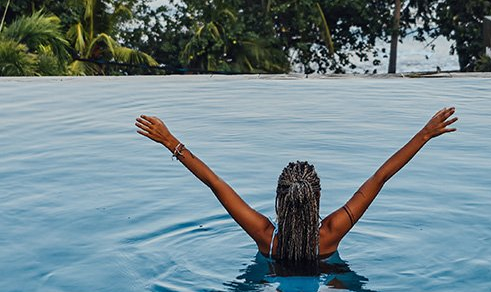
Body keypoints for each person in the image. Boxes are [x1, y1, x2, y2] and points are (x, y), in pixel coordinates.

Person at [135, 106, 457, 272]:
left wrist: (170, 141)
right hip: (326, 272)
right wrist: (425, 134)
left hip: (277, 279)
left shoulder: (266, 237)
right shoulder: (330, 232)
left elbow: (215, 183)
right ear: (316, 199)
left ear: (280, 200)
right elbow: (380, 178)